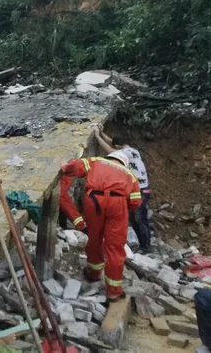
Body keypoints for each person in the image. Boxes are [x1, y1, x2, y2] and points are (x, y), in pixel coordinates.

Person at [61, 151, 142, 301]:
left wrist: (65, 167)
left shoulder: (97, 160)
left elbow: (77, 166)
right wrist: (122, 210)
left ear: (111, 157)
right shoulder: (129, 174)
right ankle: (114, 291)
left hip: (94, 200)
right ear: (123, 162)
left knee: (94, 238)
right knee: (115, 246)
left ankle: (93, 273)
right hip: (118, 204)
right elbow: (136, 201)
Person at [94, 128, 152, 252]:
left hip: (140, 191)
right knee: (135, 219)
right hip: (141, 189)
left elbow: (110, 150)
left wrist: (97, 137)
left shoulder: (124, 153)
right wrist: (102, 132)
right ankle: (143, 245)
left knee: (139, 219)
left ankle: (146, 247)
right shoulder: (132, 150)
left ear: (119, 146)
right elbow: (113, 144)